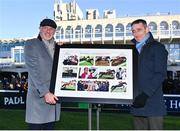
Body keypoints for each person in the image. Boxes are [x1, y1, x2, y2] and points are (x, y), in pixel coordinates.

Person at [130, 19, 168, 130]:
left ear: (147, 29)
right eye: (133, 31)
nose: (136, 33)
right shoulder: (131, 50)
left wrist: (145, 95)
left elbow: (160, 74)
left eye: (139, 30)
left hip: (153, 103)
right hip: (136, 102)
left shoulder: (157, 47)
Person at [24, 18, 61, 130]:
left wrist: (63, 49)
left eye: (51, 29)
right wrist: (45, 93)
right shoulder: (31, 44)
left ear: (55, 31)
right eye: (45, 28)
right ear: (40, 29)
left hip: (53, 100)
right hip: (39, 99)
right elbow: (33, 71)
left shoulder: (58, 47)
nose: (48, 31)